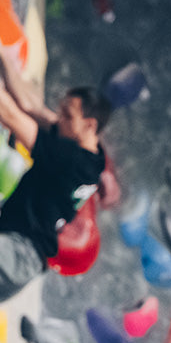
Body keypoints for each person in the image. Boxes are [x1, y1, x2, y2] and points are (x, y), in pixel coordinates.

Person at [0, 47, 109, 302]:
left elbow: (9, 114)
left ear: (90, 125)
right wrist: (4, 54)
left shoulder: (68, 160)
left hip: (17, 253)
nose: (59, 120)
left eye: (67, 116)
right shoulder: (93, 157)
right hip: (20, 258)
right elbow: (28, 106)